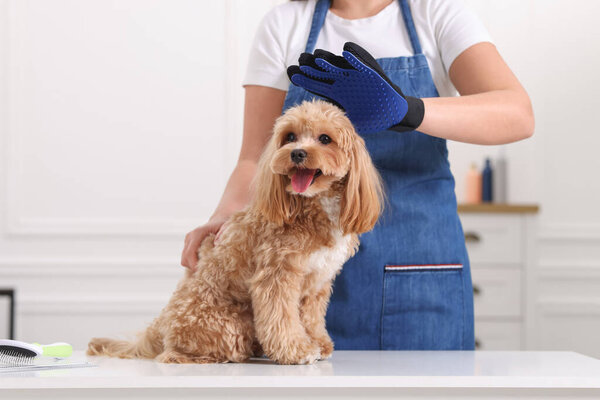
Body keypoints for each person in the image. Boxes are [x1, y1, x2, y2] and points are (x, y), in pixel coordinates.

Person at [181, 0, 534, 350]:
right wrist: (225, 216)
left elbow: (518, 114)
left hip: (418, 269)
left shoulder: (437, 14)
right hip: (299, 277)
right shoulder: (286, 23)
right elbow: (256, 157)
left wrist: (407, 110)